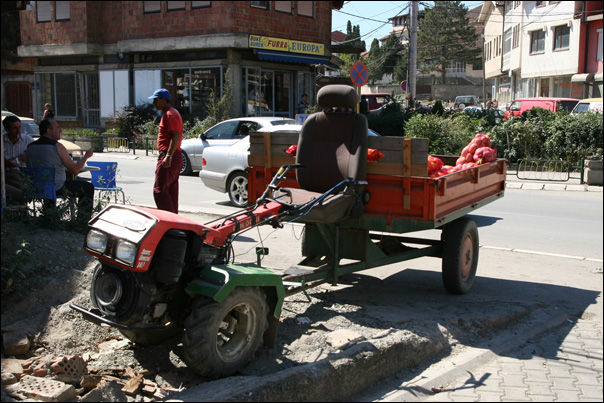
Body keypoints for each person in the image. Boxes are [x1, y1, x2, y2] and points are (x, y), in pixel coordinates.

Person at [27, 119, 95, 219]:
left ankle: (49, 216)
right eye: (57, 128)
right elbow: (74, 170)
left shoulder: (30, 146)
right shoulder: (57, 146)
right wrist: (86, 156)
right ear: (49, 131)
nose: (61, 130)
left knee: (48, 182)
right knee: (87, 187)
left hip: (35, 186)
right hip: (56, 187)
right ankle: (82, 221)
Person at [148, 88, 183, 214]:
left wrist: (168, 156)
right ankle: (176, 223)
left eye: (156, 100)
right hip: (174, 156)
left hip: (170, 156)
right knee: (170, 190)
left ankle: (170, 224)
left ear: (164, 100)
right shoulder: (171, 113)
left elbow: (176, 136)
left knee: (160, 190)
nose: (154, 103)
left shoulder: (169, 114)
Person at [3, 115, 34, 203]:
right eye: (15, 128)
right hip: (6, 173)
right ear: (7, 129)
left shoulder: (27, 140)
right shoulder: (2, 141)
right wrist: (5, 162)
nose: (18, 130)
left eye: (20, 127)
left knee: (19, 179)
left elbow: (37, 156)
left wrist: (28, 157)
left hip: (22, 173)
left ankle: (23, 196)